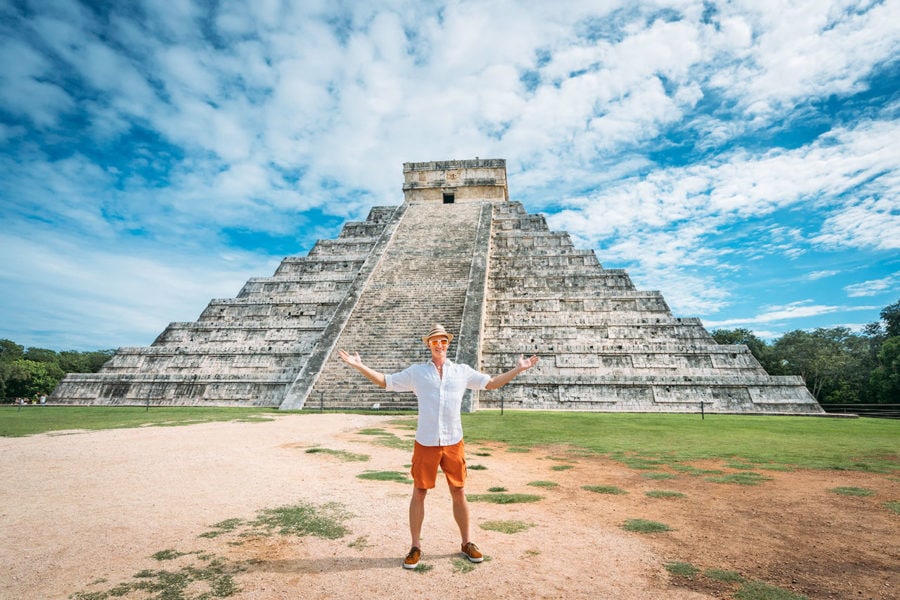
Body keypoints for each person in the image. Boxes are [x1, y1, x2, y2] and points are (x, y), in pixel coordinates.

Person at [338, 324, 540, 570]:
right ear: (428, 344)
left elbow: (492, 383)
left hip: (453, 440)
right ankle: (415, 546)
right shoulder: (417, 373)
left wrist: (518, 369)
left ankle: (467, 542)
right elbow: (385, 381)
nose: (439, 344)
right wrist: (359, 366)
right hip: (426, 441)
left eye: (443, 340)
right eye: (435, 341)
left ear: (448, 343)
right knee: (419, 492)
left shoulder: (461, 371)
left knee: (459, 491)